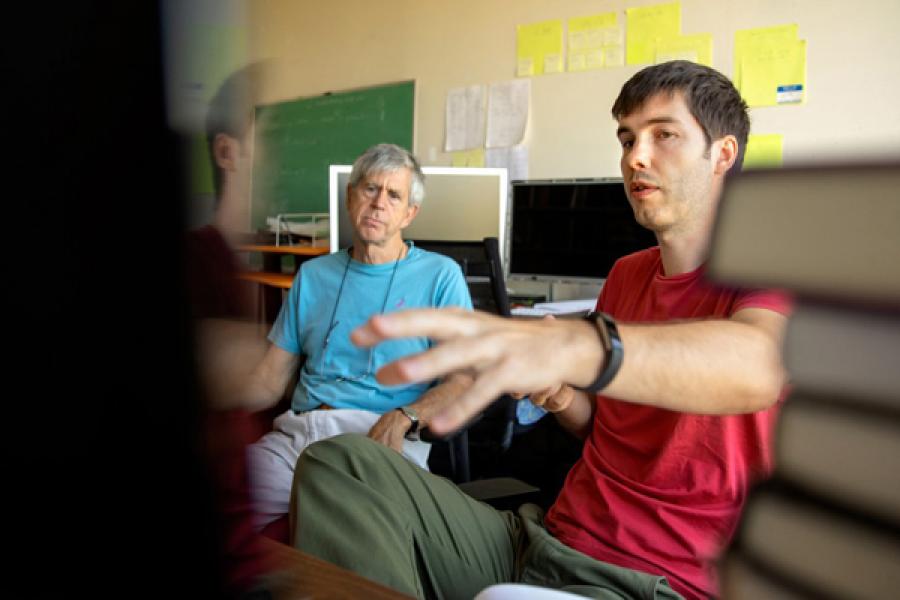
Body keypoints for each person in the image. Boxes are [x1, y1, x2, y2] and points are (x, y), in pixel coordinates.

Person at [291, 61, 792, 600]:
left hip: (649, 581)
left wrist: (578, 344)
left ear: (723, 154)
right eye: (626, 139)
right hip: (543, 540)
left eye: (664, 134)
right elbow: (601, 428)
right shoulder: (626, 275)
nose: (635, 157)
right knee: (339, 462)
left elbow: (759, 364)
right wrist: (556, 393)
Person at [245, 143, 473, 533]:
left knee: (359, 532)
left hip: (380, 436)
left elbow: (464, 377)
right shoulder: (313, 276)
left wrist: (407, 417)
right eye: (370, 189)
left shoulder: (441, 276)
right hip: (300, 433)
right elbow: (268, 380)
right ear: (351, 196)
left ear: (409, 213)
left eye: (394, 195)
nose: (379, 202)